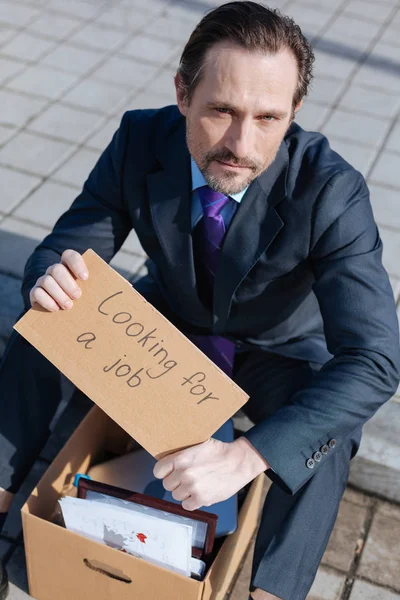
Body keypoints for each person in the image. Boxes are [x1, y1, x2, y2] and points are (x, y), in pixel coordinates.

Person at [0, 2, 399, 599]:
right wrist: (47, 273)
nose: (242, 143)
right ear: (183, 92)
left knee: (330, 430)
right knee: (48, 316)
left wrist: (250, 455)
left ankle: (270, 592)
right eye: (221, 110)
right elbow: (70, 242)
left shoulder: (331, 189)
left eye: (269, 117)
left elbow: (374, 359)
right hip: (170, 323)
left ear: (294, 110)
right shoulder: (141, 137)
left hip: (279, 348)